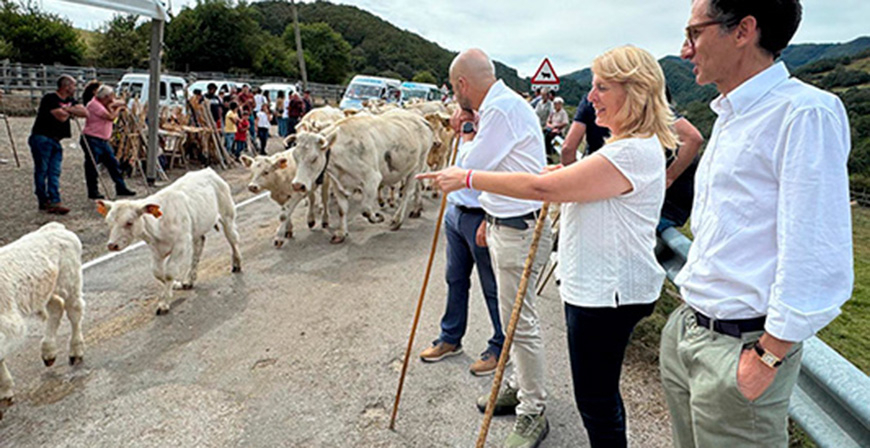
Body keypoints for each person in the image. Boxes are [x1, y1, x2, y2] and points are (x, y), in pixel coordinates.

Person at [422, 45, 677, 448]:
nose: (590, 97)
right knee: (598, 396)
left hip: (607, 294)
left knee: (596, 400)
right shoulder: (626, 147)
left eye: (601, 88)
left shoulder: (630, 151)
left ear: (636, 92)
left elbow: (544, 188)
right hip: (600, 290)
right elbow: (565, 182)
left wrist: (470, 178)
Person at [661, 1, 853, 447]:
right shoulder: (733, 114)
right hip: (692, 328)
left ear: (743, 30)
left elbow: (815, 248)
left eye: (694, 34)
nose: (685, 50)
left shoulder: (805, 113)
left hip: (741, 346)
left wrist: (767, 356)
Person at [421, 48, 552, 448]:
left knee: (520, 323)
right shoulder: (502, 106)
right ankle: (517, 384)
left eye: (453, 87)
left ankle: (533, 411)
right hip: (505, 223)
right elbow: (488, 172)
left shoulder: (498, 111)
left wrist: (461, 136)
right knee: (515, 318)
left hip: (517, 229)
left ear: (462, 85)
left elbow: (468, 168)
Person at [28, 75, 88, 214]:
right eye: (73, 85)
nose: (75, 88)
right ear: (66, 86)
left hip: (56, 140)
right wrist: (71, 110)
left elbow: (85, 112)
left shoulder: (69, 100)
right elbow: (60, 117)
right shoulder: (50, 98)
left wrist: (66, 110)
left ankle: (54, 200)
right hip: (42, 138)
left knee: (54, 171)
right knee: (42, 170)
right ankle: (44, 200)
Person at [80, 85, 136, 199]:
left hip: (103, 139)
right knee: (92, 166)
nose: (112, 98)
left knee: (113, 163)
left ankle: (121, 187)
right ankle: (93, 191)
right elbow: (110, 117)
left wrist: (116, 104)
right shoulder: (94, 105)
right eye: (110, 96)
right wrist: (118, 109)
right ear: (104, 97)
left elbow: (118, 102)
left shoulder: (103, 103)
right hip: (92, 138)